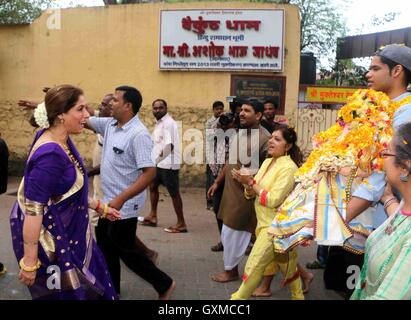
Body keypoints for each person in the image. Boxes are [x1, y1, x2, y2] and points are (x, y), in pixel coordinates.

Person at [10, 85, 121, 300]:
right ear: (60, 115)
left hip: (75, 236)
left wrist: (99, 206)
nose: (87, 115)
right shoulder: (50, 154)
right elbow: (34, 210)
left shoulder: (61, 141)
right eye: (80, 109)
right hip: (56, 245)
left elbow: (64, 191)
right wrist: (30, 262)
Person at [86, 86, 175, 299]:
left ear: (128, 106)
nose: (110, 104)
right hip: (108, 201)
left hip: (124, 205)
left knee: (126, 251)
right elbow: (84, 119)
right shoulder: (110, 125)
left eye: (115, 100)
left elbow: (149, 172)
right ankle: (111, 290)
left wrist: (120, 199)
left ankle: (164, 284)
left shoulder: (138, 134)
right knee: (105, 246)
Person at [230, 125, 305, 300]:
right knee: (288, 264)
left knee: (254, 264)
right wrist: (247, 183)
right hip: (263, 223)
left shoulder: (289, 168)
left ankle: (236, 299)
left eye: (277, 139)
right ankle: (298, 296)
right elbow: (253, 193)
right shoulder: (266, 162)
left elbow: (273, 200)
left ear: (287, 146)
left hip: (275, 226)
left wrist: (250, 181)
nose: (271, 141)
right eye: (271, 137)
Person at [208, 99, 270, 283]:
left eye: (247, 111)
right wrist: (217, 181)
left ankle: (231, 271)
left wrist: (250, 178)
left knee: (232, 233)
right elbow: (230, 161)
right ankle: (301, 274)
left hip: (246, 197)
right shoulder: (239, 133)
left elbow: (269, 170)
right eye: (241, 110)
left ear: (258, 115)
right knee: (234, 233)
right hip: (229, 192)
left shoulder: (265, 138)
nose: (241, 113)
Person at [351, 123, 411, 300]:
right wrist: (387, 198)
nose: (381, 161)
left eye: (385, 154)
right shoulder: (404, 205)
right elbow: (400, 218)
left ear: (405, 166)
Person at [140, 98, 188, 233]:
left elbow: (170, 146)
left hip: (168, 165)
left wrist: (155, 161)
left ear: (166, 109)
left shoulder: (169, 123)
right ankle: (153, 216)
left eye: (160, 108)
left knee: (174, 193)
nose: (157, 110)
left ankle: (181, 223)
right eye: (155, 108)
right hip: (158, 164)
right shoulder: (159, 123)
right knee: (153, 187)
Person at [208, 112, 236, 252]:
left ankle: (236, 243)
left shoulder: (237, 138)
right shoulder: (218, 135)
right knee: (218, 210)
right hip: (217, 177)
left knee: (230, 213)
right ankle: (224, 241)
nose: (225, 123)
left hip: (231, 181)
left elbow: (229, 162)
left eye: (228, 122)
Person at [88, 93, 114, 228]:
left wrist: (86, 173)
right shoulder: (104, 118)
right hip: (99, 178)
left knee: (97, 211)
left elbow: (108, 163)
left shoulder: (112, 127)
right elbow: (89, 110)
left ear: (113, 109)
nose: (100, 107)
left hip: (105, 178)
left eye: (104, 105)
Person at [205, 101, 225, 210]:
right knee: (210, 179)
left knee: (219, 178)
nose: (219, 111)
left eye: (221, 109)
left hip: (221, 154)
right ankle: (209, 201)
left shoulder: (225, 119)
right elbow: (210, 137)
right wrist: (218, 122)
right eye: (217, 109)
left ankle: (218, 200)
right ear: (213, 110)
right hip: (211, 154)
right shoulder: (209, 122)